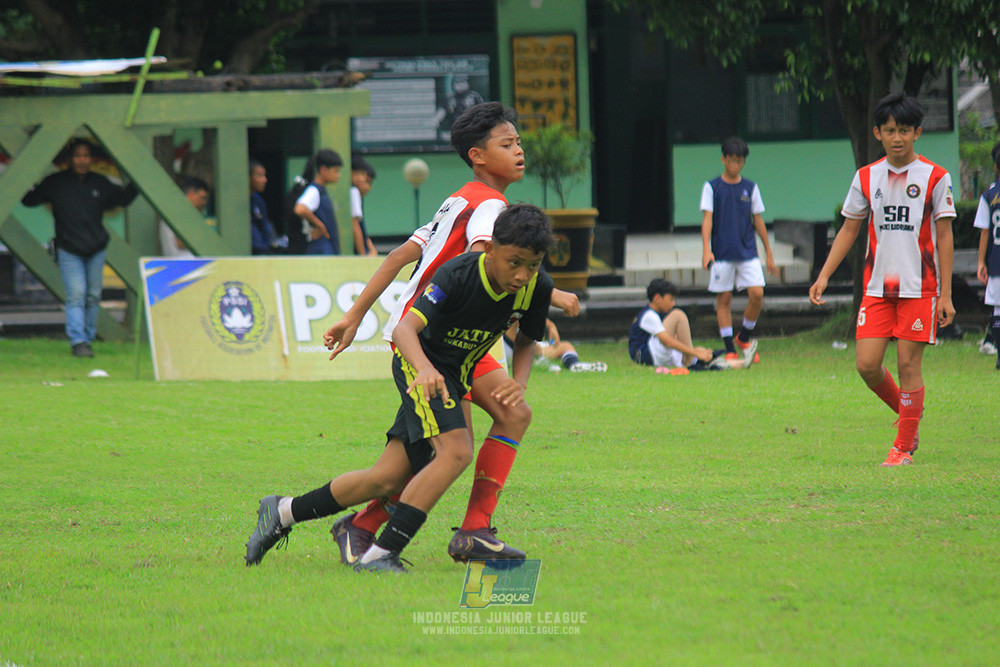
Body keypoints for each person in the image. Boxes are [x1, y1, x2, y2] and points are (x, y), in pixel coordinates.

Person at [322, 102, 580, 566]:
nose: (519, 150)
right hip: (437, 337)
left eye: (518, 142)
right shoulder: (491, 207)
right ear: (478, 155)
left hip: (436, 333)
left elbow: (401, 255)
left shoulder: (457, 198)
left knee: (439, 451)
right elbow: (491, 263)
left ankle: (413, 527)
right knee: (447, 450)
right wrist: (554, 294)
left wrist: (356, 314)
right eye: (508, 144)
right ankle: (407, 531)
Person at [245, 204, 555, 573]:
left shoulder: (536, 287)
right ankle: (382, 553)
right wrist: (425, 370)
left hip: (453, 375)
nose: (522, 275)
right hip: (416, 364)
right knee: (456, 452)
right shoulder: (456, 274)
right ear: (489, 249)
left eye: (532, 265)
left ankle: (282, 511)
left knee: (386, 477)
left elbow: (526, 340)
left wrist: (519, 384)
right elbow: (404, 330)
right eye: (514, 262)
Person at [809, 92, 955, 466]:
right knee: (867, 364)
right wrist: (824, 275)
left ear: (917, 133)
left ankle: (902, 448)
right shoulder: (865, 176)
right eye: (890, 130)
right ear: (877, 132)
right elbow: (848, 230)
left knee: (908, 364)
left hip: (920, 288)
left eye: (904, 130)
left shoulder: (936, 177)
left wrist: (946, 295)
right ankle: (910, 417)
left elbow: (944, 236)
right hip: (877, 289)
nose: (897, 137)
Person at [21, 138, 139, 357]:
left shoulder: (100, 182)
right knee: (76, 295)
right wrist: (22, 178)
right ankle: (78, 341)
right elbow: (29, 200)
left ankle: (88, 337)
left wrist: (139, 178)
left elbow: (123, 198)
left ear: (91, 159)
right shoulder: (55, 182)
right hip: (68, 248)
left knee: (93, 296)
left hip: (96, 248)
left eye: (86, 156)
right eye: (77, 155)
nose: (81, 160)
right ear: (69, 159)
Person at [700, 136, 778, 360]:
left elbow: (758, 220)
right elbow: (708, 219)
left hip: (747, 252)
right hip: (722, 252)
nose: (736, 165)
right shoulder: (712, 187)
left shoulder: (750, 187)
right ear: (723, 159)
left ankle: (743, 337)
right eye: (732, 160)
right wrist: (707, 249)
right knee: (723, 299)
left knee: (757, 294)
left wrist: (769, 253)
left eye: (740, 161)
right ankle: (729, 348)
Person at [629, 278, 755, 372]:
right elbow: (667, 341)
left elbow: (672, 340)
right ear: (657, 298)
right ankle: (691, 360)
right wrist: (693, 353)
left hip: (656, 353)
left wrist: (696, 351)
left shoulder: (658, 314)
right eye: (670, 299)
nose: (673, 303)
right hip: (647, 355)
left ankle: (741, 363)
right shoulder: (649, 315)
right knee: (678, 315)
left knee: (701, 351)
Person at [974, 141, 1000, 369]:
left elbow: (985, 231)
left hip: (996, 261)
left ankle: (999, 354)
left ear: (995, 166)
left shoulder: (989, 195)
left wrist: (981, 261)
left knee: (998, 309)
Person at [506, 318, 607, 373]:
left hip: (512, 347)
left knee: (565, 346)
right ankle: (538, 359)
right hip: (509, 347)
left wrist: (551, 326)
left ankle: (574, 364)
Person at [293, 149, 343, 255]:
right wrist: (320, 226)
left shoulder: (321, 191)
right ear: (324, 169)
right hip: (320, 248)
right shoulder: (314, 190)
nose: (339, 175)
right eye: (336, 171)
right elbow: (300, 209)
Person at [158, 176, 210, 258]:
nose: (204, 203)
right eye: (202, 198)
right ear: (191, 193)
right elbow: (182, 243)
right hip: (183, 263)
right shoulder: (179, 212)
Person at [249, 160, 285, 255]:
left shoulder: (259, 201)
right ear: (248, 177)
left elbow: (265, 226)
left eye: (264, 176)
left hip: (263, 253)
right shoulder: (241, 202)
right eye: (260, 176)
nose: (265, 180)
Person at [350, 154, 378, 256]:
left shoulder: (358, 195)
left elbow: (362, 231)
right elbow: (355, 225)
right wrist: (363, 256)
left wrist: (372, 249)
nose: (361, 179)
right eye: (358, 173)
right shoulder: (353, 192)